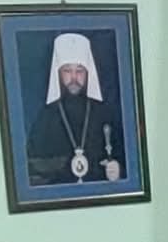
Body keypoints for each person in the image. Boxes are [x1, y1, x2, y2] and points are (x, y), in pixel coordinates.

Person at [26, 31, 125, 186]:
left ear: (88, 73)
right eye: (67, 71)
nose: (74, 78)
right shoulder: (47, 116)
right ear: (58, 73)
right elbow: (34, 167)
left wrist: (118, 170)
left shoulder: (104, 114)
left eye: (79, 71)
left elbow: (124, 157)